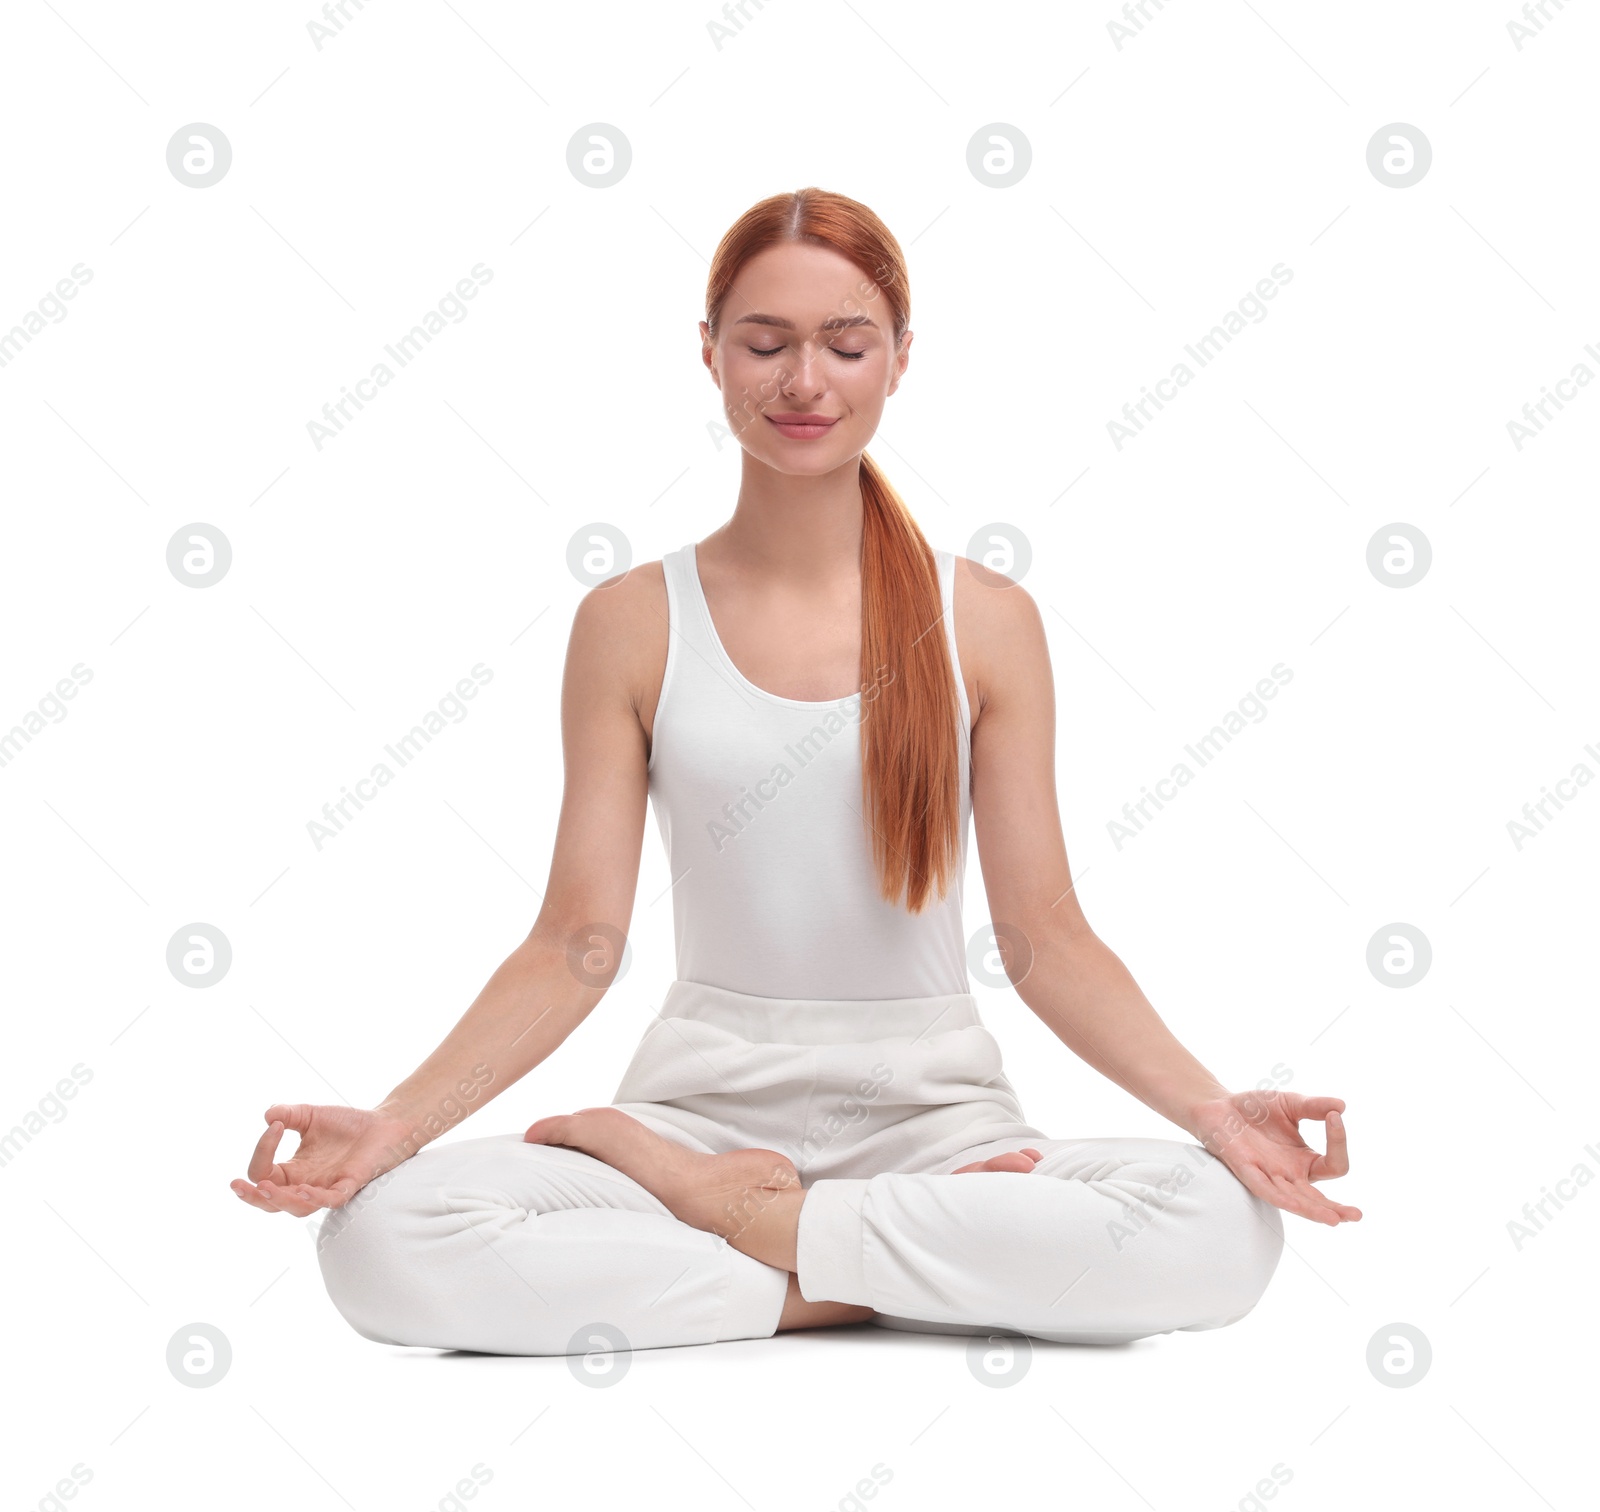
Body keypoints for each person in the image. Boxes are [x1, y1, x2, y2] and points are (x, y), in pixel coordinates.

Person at [231, 187, 1360, 1355]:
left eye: (846, 344)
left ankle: (763, 1237)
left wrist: (1215, 1115)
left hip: (936, 1129)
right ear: (710, 354)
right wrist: (397, 1126)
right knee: (383, 1240)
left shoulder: (982, 619)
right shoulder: (632, 620)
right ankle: (872, 1270)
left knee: (1220, 1231)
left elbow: (1046, 939)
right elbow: (577, 943)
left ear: (900, 360)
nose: (804, 382)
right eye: (765, 344)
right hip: (694, 1117)